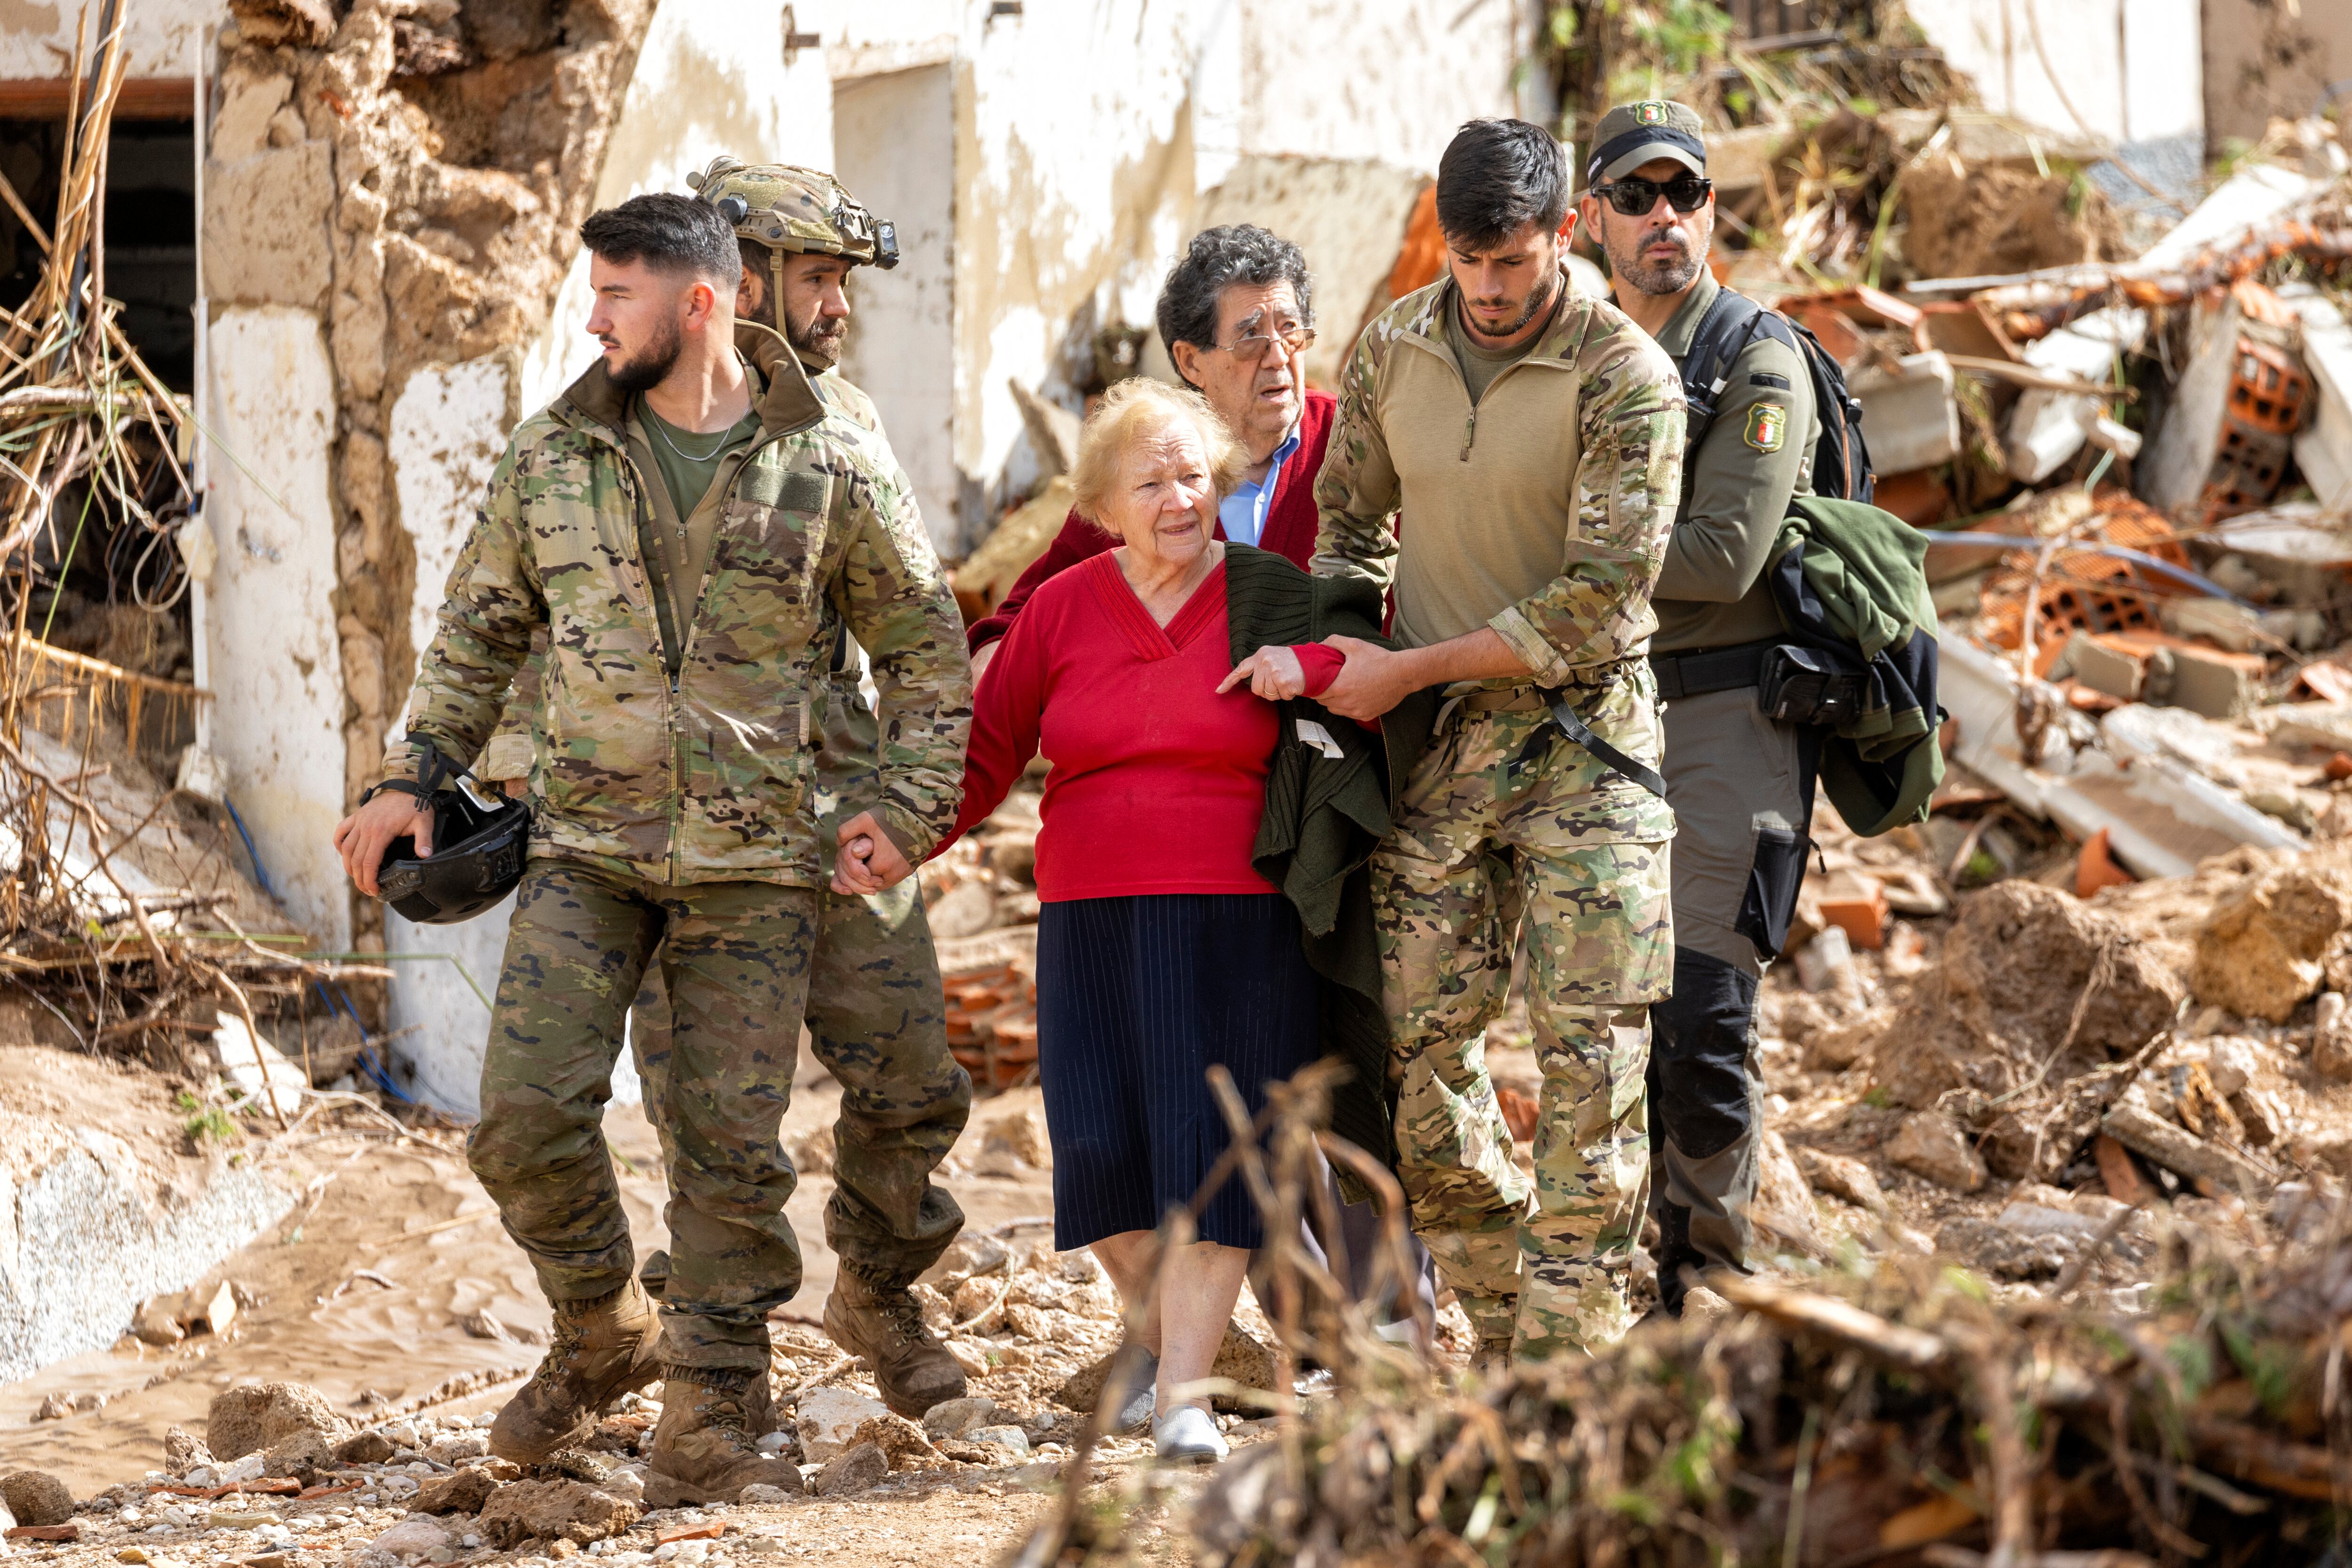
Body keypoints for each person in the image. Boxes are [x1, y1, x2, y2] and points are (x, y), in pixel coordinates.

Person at [331, 191, 971, 1506]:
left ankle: (716, 1413)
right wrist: (413, 779)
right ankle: (599, 1330)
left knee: (734, 1148)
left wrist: (908, 807)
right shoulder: (552, 453)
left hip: (757, 861)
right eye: (593, 292)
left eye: (614, 294)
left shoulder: (832, 458)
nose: (590, 316)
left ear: (698, 304)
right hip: (592, 848)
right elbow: (477, 633)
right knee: (520, 1115)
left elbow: (925, 647)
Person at [841, 377, 1321, 1464]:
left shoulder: (1270, 591)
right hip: (1089, 915)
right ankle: (1183, 1351)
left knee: (1216, 1156)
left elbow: (1350, 694)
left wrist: (1327, 675)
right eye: (1150, 481)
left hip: (1239, 921)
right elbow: (990, 748)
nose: (1178, 498)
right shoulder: (1059, 607)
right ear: (1102, 504)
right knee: (1100, 1154)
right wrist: (906, 835)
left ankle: (1186, 1395)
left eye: (1194, 475)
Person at [1310, 118, 1687, 1364]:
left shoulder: (1628, 375)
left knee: (1590, 1073)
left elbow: (1599, 598)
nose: (1490, 290)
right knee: (1424, 1077)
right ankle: (1532, 1344)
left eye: (1514, 263)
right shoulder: (1396, 346)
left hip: (1589, 758)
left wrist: (1407, 664)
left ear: (1566, 232)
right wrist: (1333, 668)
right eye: (1471, 263)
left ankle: (1577, 1366)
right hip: (1435, 766)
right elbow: (1347, 523)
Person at [1577, 102, 1822, 1316]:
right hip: (1606, 722)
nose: (1662, 216)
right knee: (1622, 1030)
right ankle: (1648, 1291)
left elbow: (1724, 554)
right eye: (1635, 196)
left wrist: (1560, 557)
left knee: (1708, 1024)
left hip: (1730, 727)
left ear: (1710, 211)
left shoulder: (1754, 357)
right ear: (1592, 220)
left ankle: (1714, 1296)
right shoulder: (1577, 357)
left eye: (1685, 194)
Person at [964, 224, 1329, 677]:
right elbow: (1030, 612)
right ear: (1190, 361)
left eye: (1291, 330)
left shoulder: (1355, 440)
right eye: (1251, 336)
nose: (1278, 356)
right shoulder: (1143, 464)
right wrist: (992, 662)